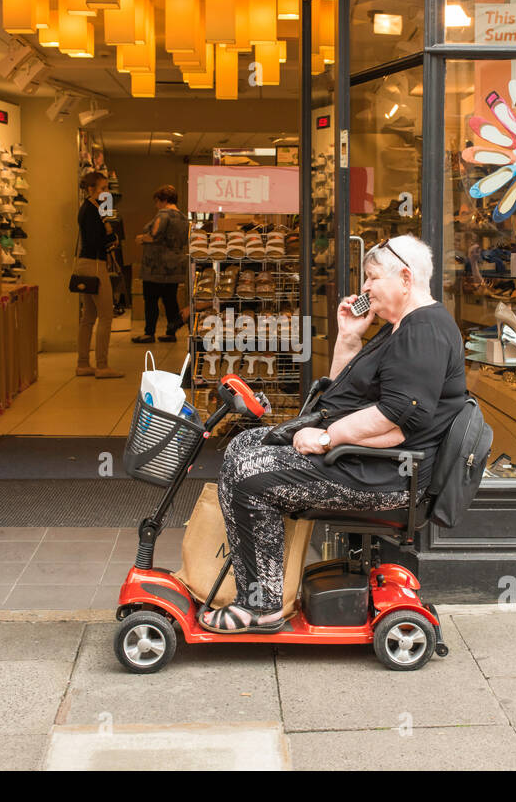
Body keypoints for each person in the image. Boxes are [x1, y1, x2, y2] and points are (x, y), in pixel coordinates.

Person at [200, 234, 467, 633]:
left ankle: (261, 605)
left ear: (405, 278)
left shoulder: (423, 331)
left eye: (372, 278)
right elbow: (345, 391)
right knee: (243, 445)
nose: (364, 288)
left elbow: (397, 415)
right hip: (369, 461)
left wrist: (328, 438)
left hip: (386, 475)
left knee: (248, 475)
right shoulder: (400, 327)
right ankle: (263, 586)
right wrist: (349, 336)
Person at [73, 170, 124, 378]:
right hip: (95, 265)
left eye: (107, 189)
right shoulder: (93, 211)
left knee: (88, 317)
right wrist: (111, 238)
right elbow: (97, 241)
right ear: (91, 189)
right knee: (105, 315)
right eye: (103, 188)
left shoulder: (87, 208)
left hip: (84, 263)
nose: (106, 192)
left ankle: (83, 363)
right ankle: (102, 365)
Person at [132, 184, 187, 343]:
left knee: (151, 300)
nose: (156, 205)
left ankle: (149, 333)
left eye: (156, 201)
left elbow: (154, 235)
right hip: (175, 265)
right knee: (170, 299)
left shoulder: (163, 214)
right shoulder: (183, 218)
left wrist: (141, 238)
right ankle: (171, 332)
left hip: (156, 266)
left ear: (162, 200)